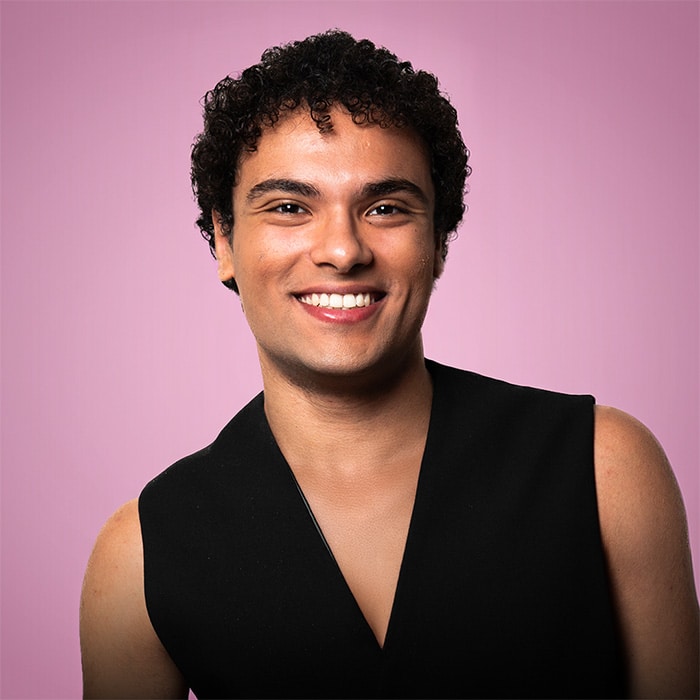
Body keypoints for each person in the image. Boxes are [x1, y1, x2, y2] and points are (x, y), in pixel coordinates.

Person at [79, 30, 699, 699]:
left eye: (385, 208)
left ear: (439, 241)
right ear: (225, 241)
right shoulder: (141, 555)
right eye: (289, 207)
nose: (343, 250)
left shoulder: (605, 469)